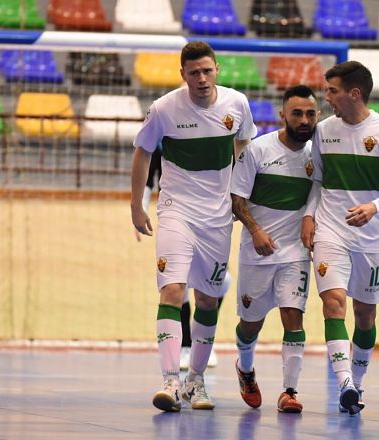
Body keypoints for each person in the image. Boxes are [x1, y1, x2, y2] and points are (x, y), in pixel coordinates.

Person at [130, 41, 257, 412]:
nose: (201, 78)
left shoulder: (237, 104)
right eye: (194, 72)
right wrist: (137, 205)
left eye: (207, 71)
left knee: (208, 298)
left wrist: (239, 198)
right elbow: (142, 152)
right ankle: (170, 381)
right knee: (172, 290)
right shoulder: (164, 109)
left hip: (217, 217)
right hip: (175, 210)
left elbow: (244, 147)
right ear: (182, 74)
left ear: (217, 69)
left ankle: (196, 382)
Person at [301, 61, 379, 415]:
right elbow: (317, 181)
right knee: (333, 302)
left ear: (354, 93)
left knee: (365, 315)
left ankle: (358, 385)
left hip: (369, 238)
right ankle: (345, 381)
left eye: (332, 91)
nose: (326, 97)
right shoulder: (323, 131)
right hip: (330, 230)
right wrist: (308, 215)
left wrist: (373, 207)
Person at [230, 85, 320, 414]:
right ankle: (246, 368)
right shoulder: (257, 150)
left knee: (293, 316)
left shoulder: (317, 156)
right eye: (296, 113)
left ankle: (289, 391)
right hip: (258, 251)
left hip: (295, 252)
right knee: (250, 323)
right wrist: (255, 231)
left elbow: (320, 195)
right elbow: (236, 200)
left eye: (310, 113)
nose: (304, 119)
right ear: (283, 115)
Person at [135, 144, 221, 371]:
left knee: (218, 283)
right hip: (176, 214)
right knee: (175, 286)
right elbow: (148, 171)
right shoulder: (164, 128)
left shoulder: (213, 125)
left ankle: (204, 341)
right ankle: (184, 346)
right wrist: (140, 207)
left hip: (210, 217)